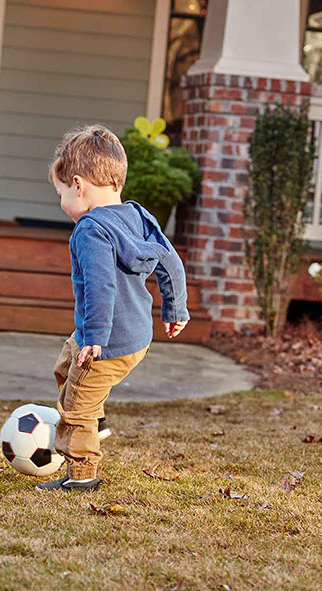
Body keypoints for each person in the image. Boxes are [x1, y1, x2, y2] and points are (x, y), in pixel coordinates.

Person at [35, 125, 189, 492]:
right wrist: (175, 309)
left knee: (75, 409)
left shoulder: (90, 229)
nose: (62, 203)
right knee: (65, 364)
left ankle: (82, 476)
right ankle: (98, 419)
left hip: (106, 339)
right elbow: (171, 263)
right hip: (136, 335)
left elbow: (101, 287)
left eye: (60, 194)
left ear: (77, 185)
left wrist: (97, 338)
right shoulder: (137, 215)